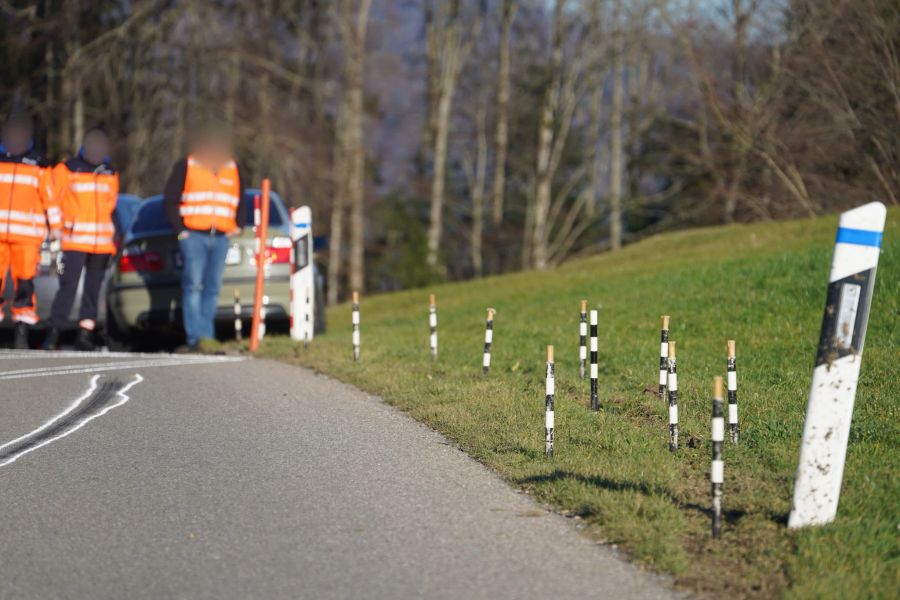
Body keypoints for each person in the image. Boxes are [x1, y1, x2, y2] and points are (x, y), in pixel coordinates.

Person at [163, 123, 246, 351]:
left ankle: (206, 336)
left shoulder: (232, 167)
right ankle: (195, 338)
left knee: (212, 288)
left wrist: (239, 224)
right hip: (194, 236)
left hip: (221, 237)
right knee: (193, 286)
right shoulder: (188, 165)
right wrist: (181, 231)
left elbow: (242, 199)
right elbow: (170, 199)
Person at [44, 127, 119, 351]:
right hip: (74, 239)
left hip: (102, 243)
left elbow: (111, 206)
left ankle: (85, 334)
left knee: (93, 291)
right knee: (67, 288)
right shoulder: (67, 169)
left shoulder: (110, 172)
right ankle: (54, 332)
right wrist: (56, 228)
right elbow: (53, 201)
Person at [0, 112, 61, 349]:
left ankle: (21, 330)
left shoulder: (39, 163)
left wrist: (55, 228)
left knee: (25, 283)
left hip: (26, 236)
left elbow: (50, 199)